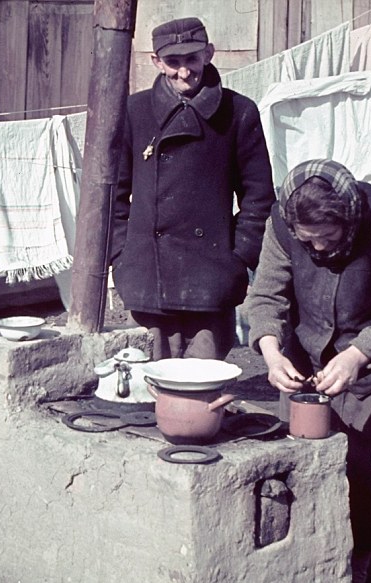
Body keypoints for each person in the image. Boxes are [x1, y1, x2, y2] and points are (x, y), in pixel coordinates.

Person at [244, 159, 371, 583]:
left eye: (325, 240)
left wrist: (358, 355)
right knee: (306, 468)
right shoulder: (282, 222)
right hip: (310, 359)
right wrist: (272, 352)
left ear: (347, 220)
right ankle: (311, 565)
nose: (315, 250)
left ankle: (358, 573)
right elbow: (267, 295)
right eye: (305, 241)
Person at [110, 16, 275, 361]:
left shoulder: (239, 112)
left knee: (199, 387)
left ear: (209, 54)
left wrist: (239, 256)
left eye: (192, 60)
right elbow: (113, 194)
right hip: (146, 273)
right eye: (173, 62)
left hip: (210, 275)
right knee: (148, 384)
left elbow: (258, 196)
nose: (183, 72)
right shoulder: (135, 111)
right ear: (156, 62)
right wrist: (121, 254)